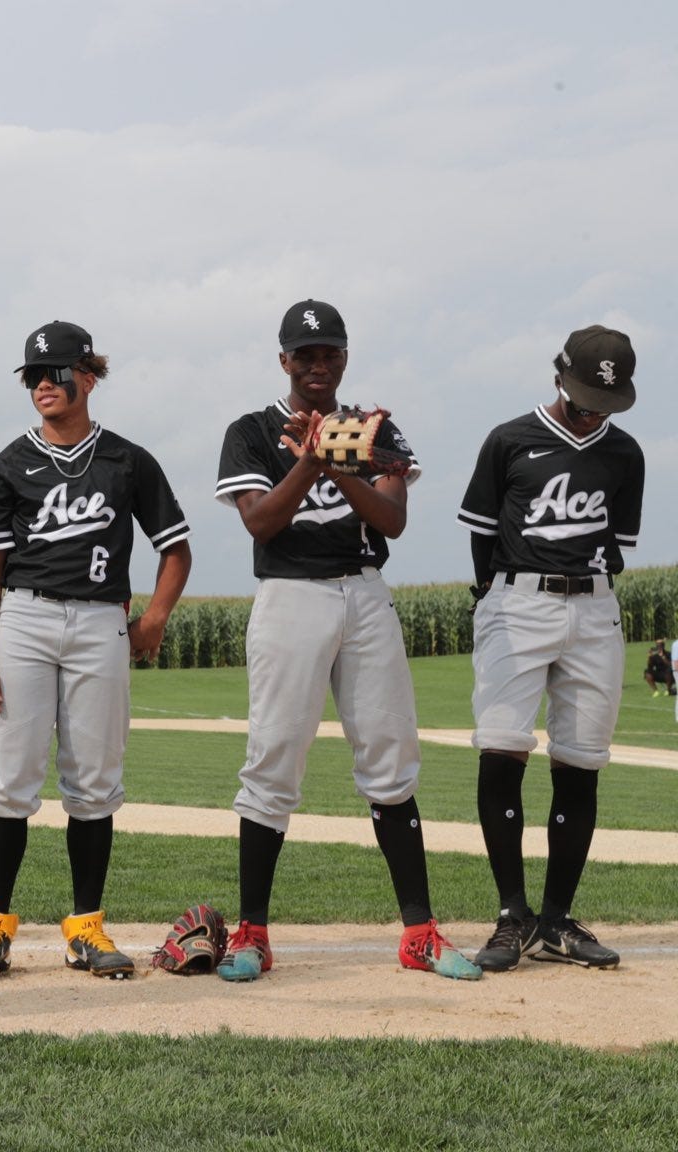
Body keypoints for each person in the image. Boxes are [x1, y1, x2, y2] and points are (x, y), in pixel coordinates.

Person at [211, 299, 478, 981]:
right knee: (272, 761)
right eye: (306, 355)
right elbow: (262, 524)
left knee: (391, 758)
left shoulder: (376, 428)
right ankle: (252, 934)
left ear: (345, 357)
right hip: (289, 595)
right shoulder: (250, 430)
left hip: (362, 592)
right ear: (284, 362)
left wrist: (339, 462)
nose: (318, 364)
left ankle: (419, 932)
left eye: (330, 352)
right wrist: (307, 461)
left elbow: (390, 520)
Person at [0, 322, 192, 981]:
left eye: (55, 372)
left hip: (100, 622)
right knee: (10, 777)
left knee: (93, 780)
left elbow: (175, 549)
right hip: (25, 618)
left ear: (88, 376)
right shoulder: (10, 465)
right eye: (32, 375)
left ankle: (86, 928)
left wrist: (154, 616)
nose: (42, 385)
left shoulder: (127, 460)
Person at [458, 324, 643, 972]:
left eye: (606, 401)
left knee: (581, 760)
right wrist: (493, 596)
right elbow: (482, 533)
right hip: (518, 599)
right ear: (558, 376)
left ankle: (559, 921)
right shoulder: (510, 439)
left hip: (595, 607)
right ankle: (513, 916)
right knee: (502, 747)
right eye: (585, 394)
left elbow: (619, 542)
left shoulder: (625, 455)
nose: (593, 410)